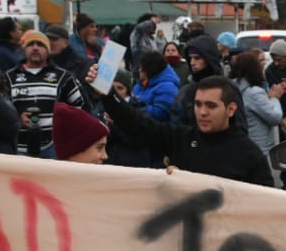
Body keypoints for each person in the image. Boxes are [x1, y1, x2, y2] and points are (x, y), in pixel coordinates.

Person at [102, 76, 273, 185]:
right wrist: (108, 95)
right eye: (198, 104)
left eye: (211, 106)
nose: (202, 112)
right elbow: (139, 126)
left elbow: (266, 205)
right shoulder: (181, 138)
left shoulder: (250, 155)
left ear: (231, 109)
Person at [9, 28, 88, 158]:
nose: (35, 48)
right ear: (24, 50)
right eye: (30, 44)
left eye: (40, 45)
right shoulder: (9, 76)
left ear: (48, 50)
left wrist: (63, 127)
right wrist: (17, 118)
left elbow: (81, 106)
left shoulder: (63, 76)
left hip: (52, 147)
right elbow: (1, 109)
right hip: (19, 148)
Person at [230, 49, 286, 164]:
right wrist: (274, 98)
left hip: (242, 144)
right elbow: (275, 117)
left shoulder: (234, 88)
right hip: (258, 146)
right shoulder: (254, 93)